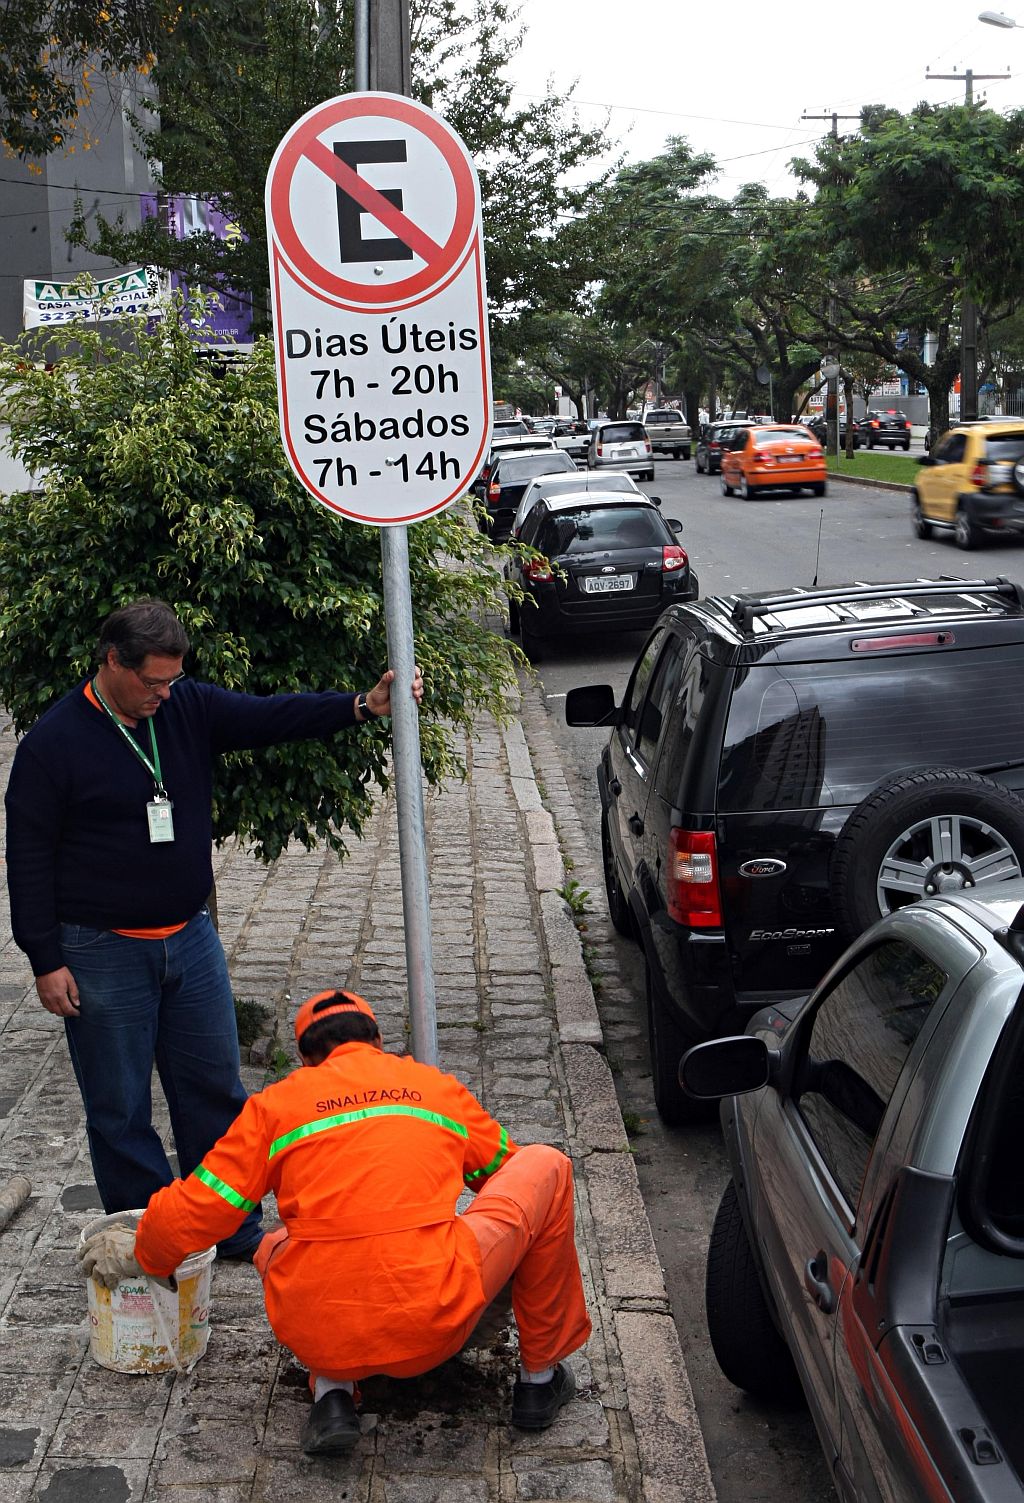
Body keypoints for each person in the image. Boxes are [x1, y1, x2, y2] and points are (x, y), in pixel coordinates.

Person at [5, 599, 423, 1260]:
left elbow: (268, 716)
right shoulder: (54, 744)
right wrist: (44, 957)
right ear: (113, 661)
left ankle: (230, 1226)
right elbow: (26, 855)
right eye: (152, 682)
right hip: (100, 950)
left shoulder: (184, 706)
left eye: (172, 680)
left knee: (214, 1090)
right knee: (119, 1108)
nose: (163, 695)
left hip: (190, 939)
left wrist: (359, 705)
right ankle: (150, 1235)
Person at [79, 989, 592, 1452]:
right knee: (547, 1165)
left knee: (275, 1242)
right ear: (378, 1041)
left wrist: (147, 1250)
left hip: (322, 1331)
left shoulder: (276, 1106)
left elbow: (201, 1207)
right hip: (436, 1319)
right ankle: (538, 1381)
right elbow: (505, 1172)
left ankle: (332, 1394)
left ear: (305, 1059)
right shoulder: (433, 1089)